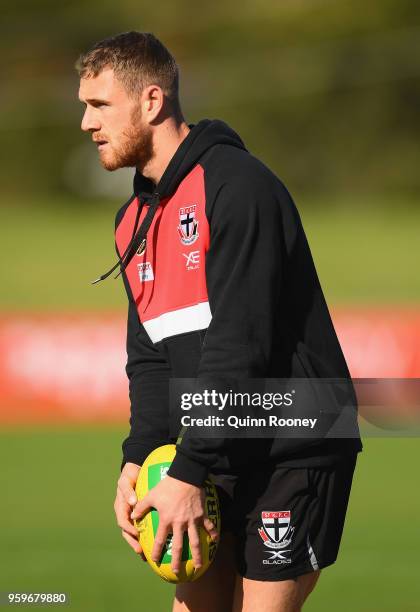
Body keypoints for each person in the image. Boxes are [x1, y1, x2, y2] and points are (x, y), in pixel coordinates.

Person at [76, 31, 362, 612]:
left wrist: (186, 472)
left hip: (294, 445)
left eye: (99, 104)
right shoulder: (133, 219)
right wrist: (142, 454)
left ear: (152, 102)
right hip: (221, 448)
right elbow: (151, 357)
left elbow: (240, 346)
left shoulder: (238, 187)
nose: (85, 122)